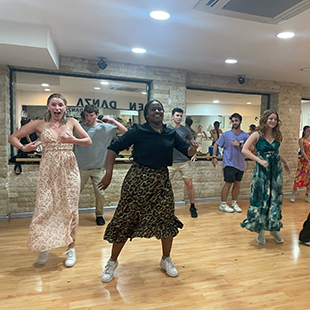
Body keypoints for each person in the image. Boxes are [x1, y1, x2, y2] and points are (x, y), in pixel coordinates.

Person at [98, 100, 198, 283]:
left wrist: (193, 148)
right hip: (138, 180)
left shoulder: (170, 132)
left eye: (160, 109)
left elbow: (187, 152)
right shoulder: (138, 130)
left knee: (166, 218)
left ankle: (166, 259)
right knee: (125, 219)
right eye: (153, 109)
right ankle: (112, 261)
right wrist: (108, 173)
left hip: (161, 180)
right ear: (147, 114)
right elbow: (113, 148)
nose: (157, 111)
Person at [8, 93, 92, 266]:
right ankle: (43, 246)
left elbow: (88, 141)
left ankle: (71, 248)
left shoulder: (72, 123)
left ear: (65, 107)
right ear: (48, 106)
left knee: (69, 208)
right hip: (48, 170)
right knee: (44, 208)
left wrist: (74, 139)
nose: (57, 108)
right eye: (53, 104)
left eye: (60, 105)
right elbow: (12, 137)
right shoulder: (38, 123)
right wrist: (25, 147)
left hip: (69, 169)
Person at [241, 109, 290, 244]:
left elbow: (275, 152)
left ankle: (274, 229)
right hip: (262, 172)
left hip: (276, 171)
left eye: (275, 119)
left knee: (275, 199)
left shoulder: (276, 135)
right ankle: (260, 230)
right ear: (265, 120)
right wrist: (259, 160)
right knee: (262, 199)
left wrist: (285, 162)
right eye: (270, 119)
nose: (273, 121)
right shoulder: (257, 134)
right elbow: (244, 149)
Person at [74, 105, 127, 226]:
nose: (88, 118)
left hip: (98, 168)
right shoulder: (79, 128)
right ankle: (71, 216)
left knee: (100, 194)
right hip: (81, 168)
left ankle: (99, 215)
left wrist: (112, 120)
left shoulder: (106, 128)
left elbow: (125, 132)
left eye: (91, 115)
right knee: (74, 193)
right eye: (86, 115)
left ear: (97, 115)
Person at [212, 113, 249, 213]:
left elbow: (252, 148)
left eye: (236, 121)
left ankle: (234, 202)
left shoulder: (245, 135)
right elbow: (216, 144)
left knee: (237, 184)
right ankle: (223, 204)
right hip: (229, 163)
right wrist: (214, 157)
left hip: (240, 164)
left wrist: (240, 144)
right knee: (228, 183)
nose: (234, 123)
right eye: (233, 121)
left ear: (240, 122)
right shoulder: (226, 135)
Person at [168, 108, 198, 218]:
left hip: (184, 161)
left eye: (181, 116)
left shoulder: (186, 130)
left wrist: (194, 153)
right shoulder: (166, 129)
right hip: (170, 162)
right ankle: (166, 207)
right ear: (172, 116)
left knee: (189, 184)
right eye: (177, 115)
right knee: (165, 185)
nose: (179, 117)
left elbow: (192, 143)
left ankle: (193, 206)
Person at [290, 125, 310, 203]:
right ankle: (294, 194)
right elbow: (302, 151)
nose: (309, 132)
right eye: (308, 130)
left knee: (309, 178)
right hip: (304, 161)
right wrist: (307, 159)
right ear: (304, 131)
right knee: (299, 176)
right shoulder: (301, 140)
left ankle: (307, 195)